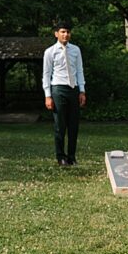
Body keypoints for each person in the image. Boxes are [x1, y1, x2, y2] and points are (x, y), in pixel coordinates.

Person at [42, 22, 86, 166]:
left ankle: (71, 157)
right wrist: (48, 95)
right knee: (60, 125)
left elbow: (79, 70)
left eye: (67, 32)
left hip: (73, 89)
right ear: (56, 34)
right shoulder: (50, 52)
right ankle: (61, 156)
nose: (65, 34)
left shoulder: (76, 50)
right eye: (62, 32)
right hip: (58, 89)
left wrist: (82, 90)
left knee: (73, 125)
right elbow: (46, 74)